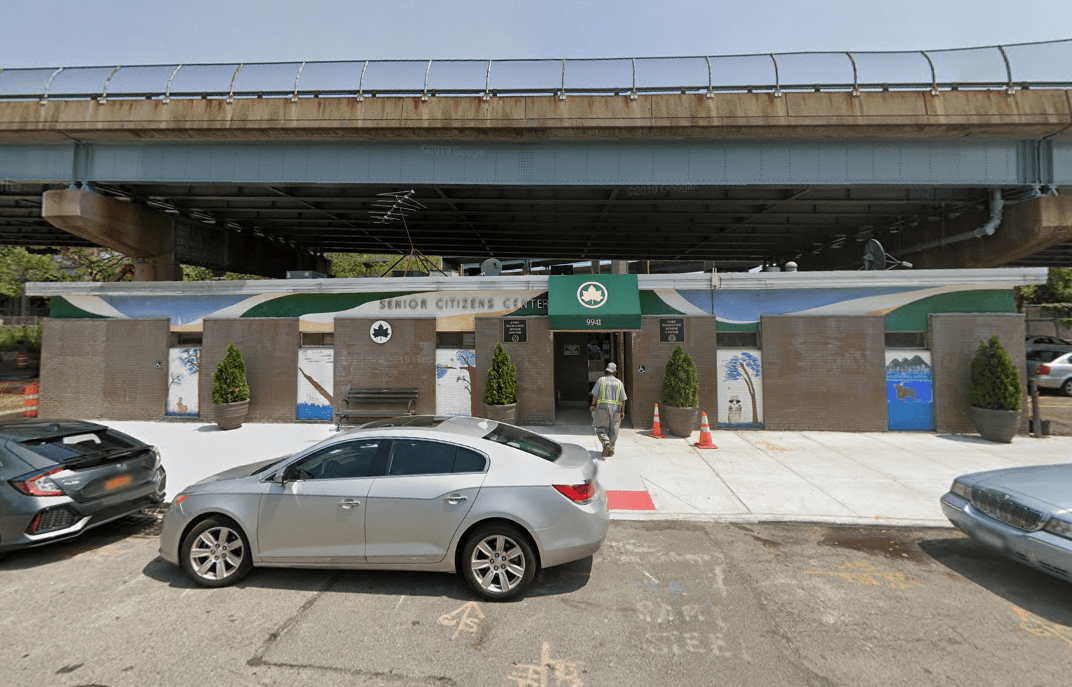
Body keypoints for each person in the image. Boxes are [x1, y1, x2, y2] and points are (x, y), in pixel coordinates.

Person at [589, 362, 627, 457]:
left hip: (602, 408)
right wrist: (622, 411)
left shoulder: (601, 380)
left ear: (607, 370)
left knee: (601, 428)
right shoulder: (619, 383)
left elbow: (595, 395)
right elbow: (623, 400)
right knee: (614, 429)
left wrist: (593, 405)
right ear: (615, 372)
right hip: (616, 410)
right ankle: (611, 449)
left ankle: (606, 443)